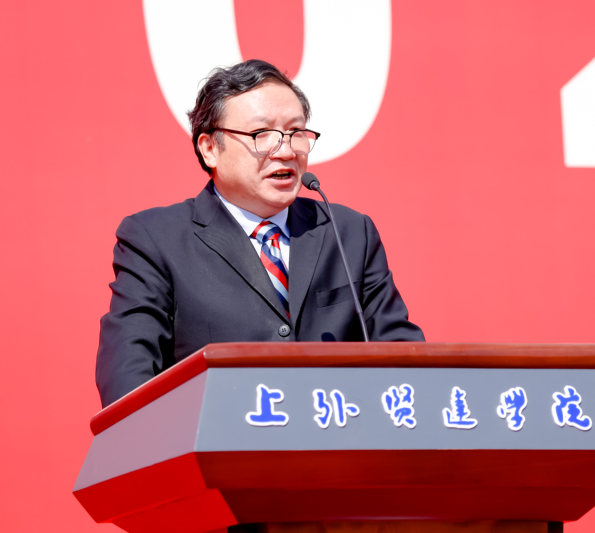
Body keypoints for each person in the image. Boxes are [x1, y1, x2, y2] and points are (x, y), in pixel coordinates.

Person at [96, 59, 424, 408]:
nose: (285, 151)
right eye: (261, 134)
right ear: (210, 148)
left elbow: (404, 356)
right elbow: (127, 377)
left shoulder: (348, 233)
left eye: (296, 133)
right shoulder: (156, 239)